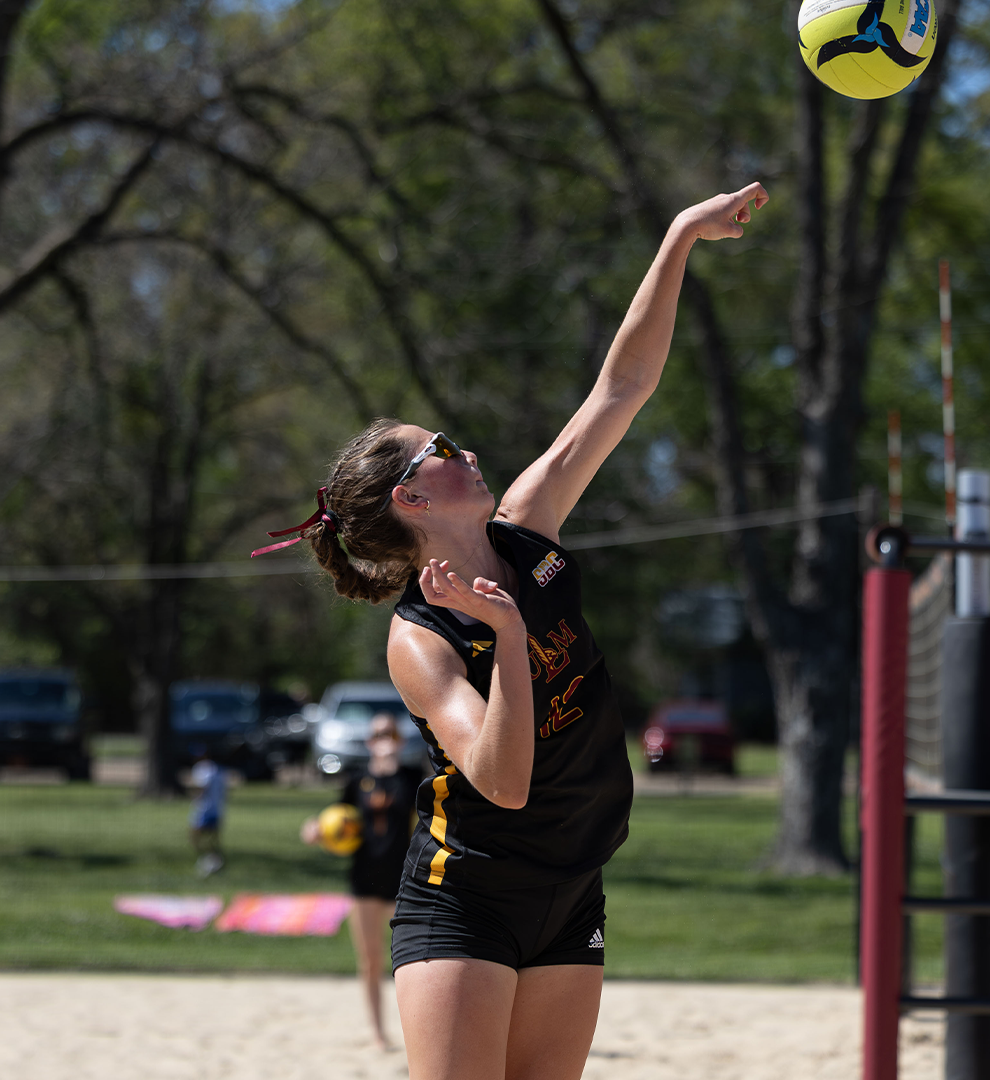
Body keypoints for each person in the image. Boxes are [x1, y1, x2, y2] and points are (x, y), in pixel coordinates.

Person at [253, 182, 767, 1080]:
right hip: (469, 899)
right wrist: (512, 642)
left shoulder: (526, 530)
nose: (468, 450)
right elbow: (503, 781)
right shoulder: (421, 641)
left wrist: (679, 237)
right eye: (442, 449)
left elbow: (624, 387)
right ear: (412, 498)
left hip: (572, 887)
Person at [301, 712, 424, 1050]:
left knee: (413, 963)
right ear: (370, 743)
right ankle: (378, 1033)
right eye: (378, 735)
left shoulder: (412, 778)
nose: (384, 740)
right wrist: (314, 831)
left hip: (405, 881)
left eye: (390, 734)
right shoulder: (356, 782)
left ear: (399, 741)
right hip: (365, 879)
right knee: (370, 960)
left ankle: (419, 1035)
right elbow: (335, 823)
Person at [189, 753, 229, 877]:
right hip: (217, 809)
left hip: (204, 809)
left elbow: (203, 787)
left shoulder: (202, 769)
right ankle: (216, 859)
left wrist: (194, 796)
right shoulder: (218, 770)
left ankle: (205, 859)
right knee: (213, 838)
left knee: (194, 835)